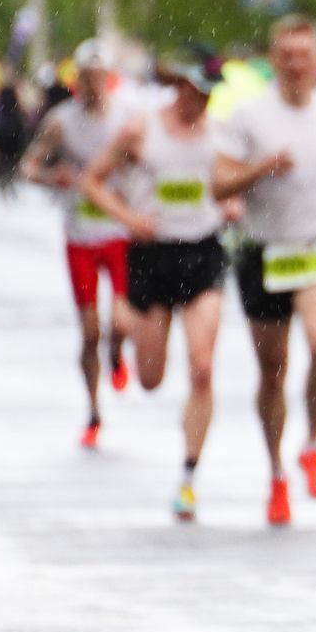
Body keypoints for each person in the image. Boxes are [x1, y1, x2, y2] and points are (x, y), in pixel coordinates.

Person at [211, 15, 316, 529]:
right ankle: (276, 473)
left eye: (304, 55)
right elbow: (219, 184)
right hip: (263, 250)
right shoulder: (248, 115)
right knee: (272, 372)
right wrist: (260, 168)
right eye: (287, 56)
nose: (296, 65)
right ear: (273, 59)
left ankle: (311, 445)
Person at [81, 56, 228, 521]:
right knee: (150, 379)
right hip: (152, 255)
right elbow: (92, 181)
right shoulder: (139, 130)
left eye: (210, 94)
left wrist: (236, 202)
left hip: (202, 252)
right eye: (197, 91)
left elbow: (226, 182)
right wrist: (129, 220)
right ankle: (119, 332)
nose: (203, 101)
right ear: (180, 87)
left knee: (202, 369)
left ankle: (188, 477)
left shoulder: (219, 133)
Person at [21, 40, 135, 449]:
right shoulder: (61, 122)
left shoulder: (127, 117)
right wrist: (55, 177)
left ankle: (118, 354)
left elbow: (147, 162)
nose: (92, 86)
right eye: (85, 79)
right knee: (89, 332)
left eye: (98, 78)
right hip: (81, 235)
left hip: (120, 233)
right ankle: (93, 410)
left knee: (121, 323)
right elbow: (28, 166)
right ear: (76, 81)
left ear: (108, 79)